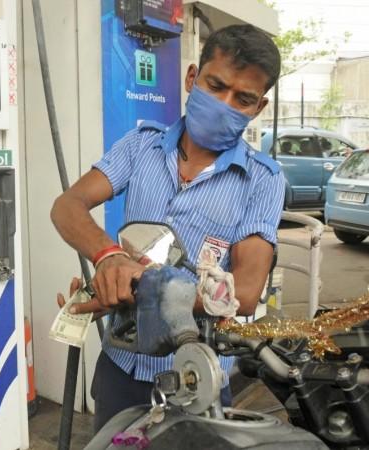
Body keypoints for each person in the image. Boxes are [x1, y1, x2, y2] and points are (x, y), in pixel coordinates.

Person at [51, 24, 286, 432]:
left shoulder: (263, 180)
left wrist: (133, 284)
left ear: (258, 108)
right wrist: (109, 259)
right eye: (216, 86)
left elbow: (245, 293)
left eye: (242, 99)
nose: (224, 104)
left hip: (198, 377)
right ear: (192, 78)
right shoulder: (140, 146)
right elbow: (68, 206)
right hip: (121, 366)